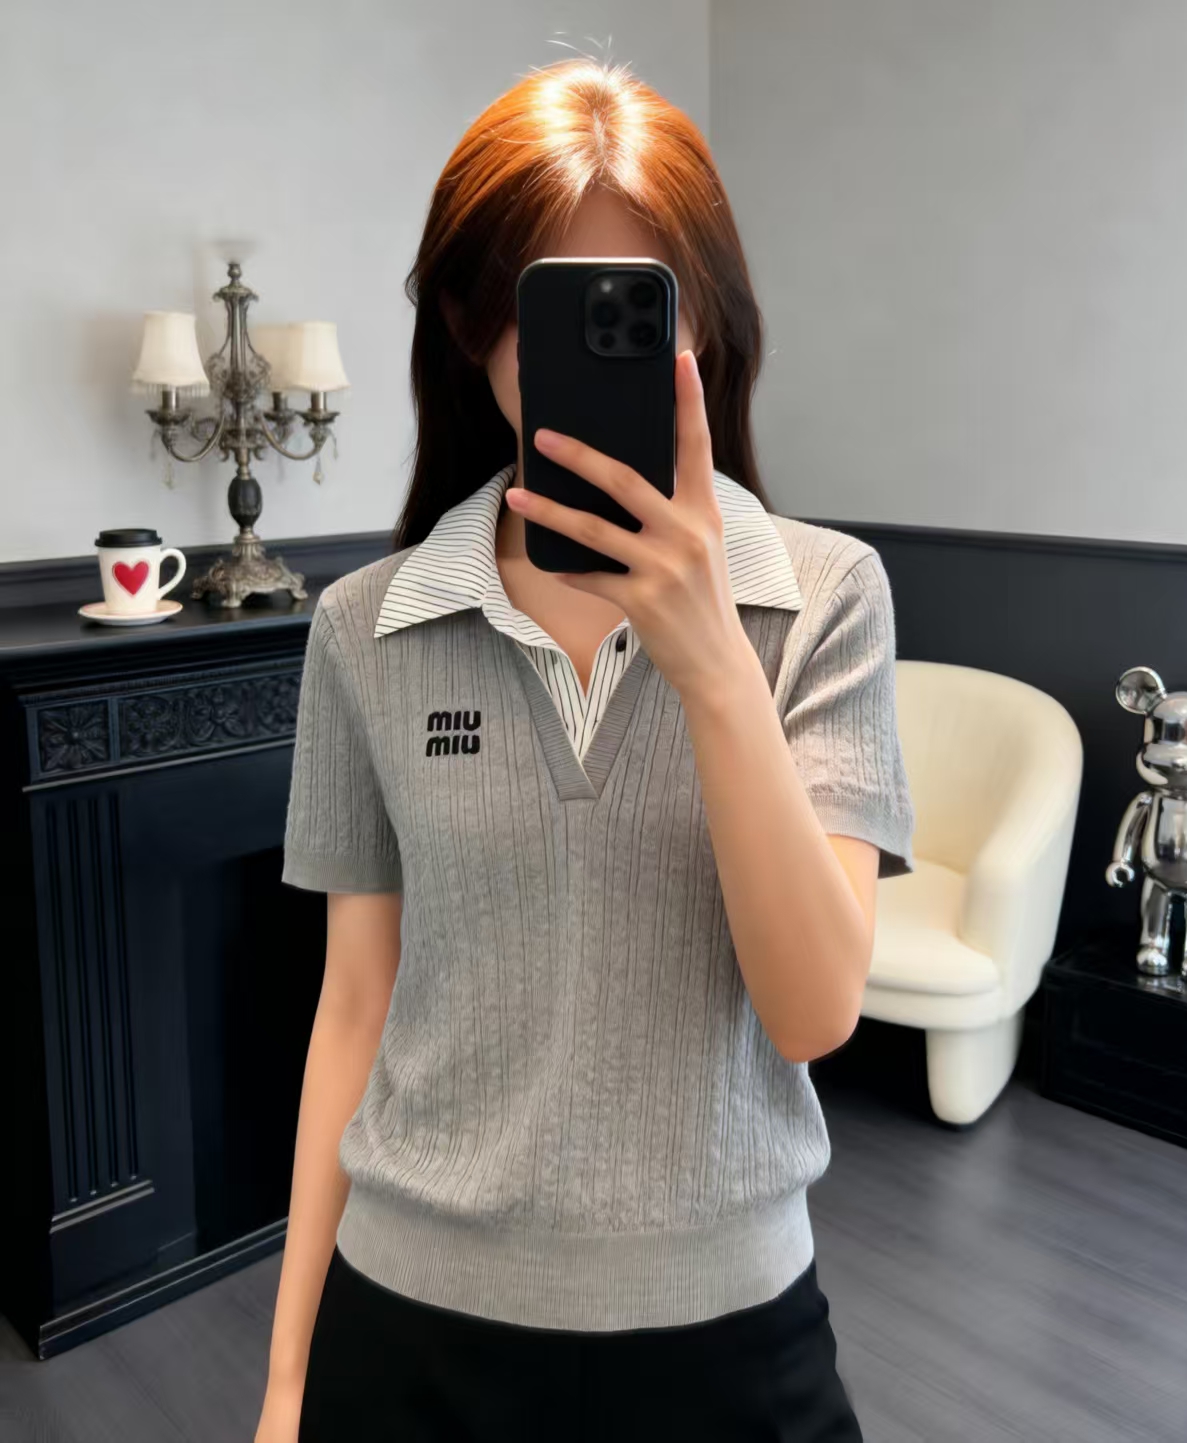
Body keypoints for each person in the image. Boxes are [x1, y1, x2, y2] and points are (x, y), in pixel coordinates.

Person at [255, 55, 915, 1443]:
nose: (586, 355)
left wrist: (712, 658)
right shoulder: (363, 627)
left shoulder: (826, 595)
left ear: (706, 322)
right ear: (468, 321)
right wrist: (286, 1381)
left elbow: (813, 1012)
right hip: (410, 1326)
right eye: (544, 307)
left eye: (636, 306)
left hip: (731, 1330)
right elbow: (354, 1008)